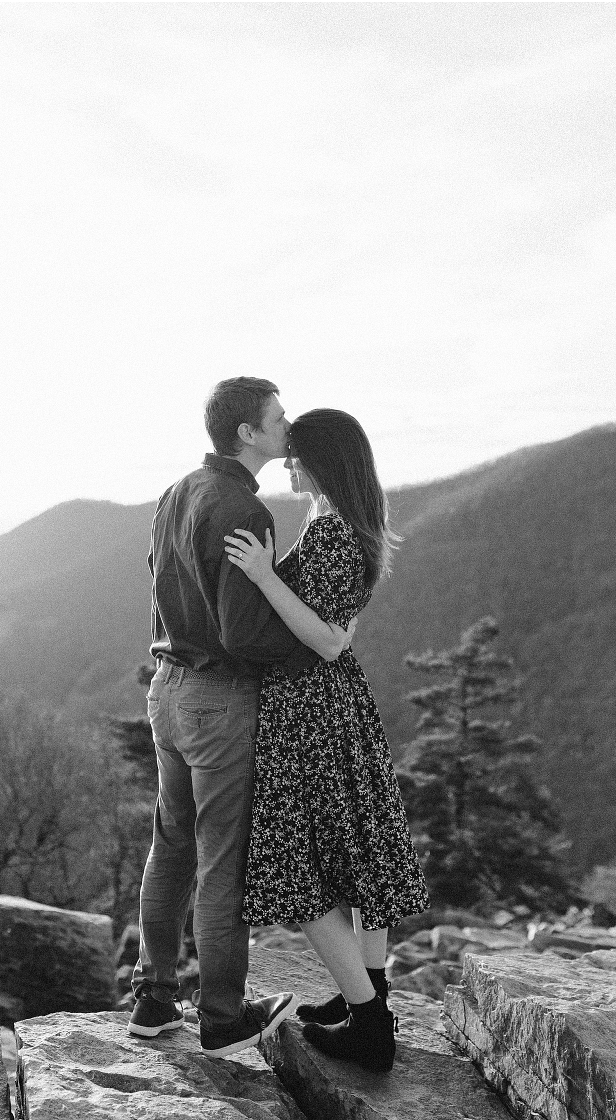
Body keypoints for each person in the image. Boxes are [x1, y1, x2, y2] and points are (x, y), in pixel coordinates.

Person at [129, 378, 355, 1059]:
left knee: (169, 847)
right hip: (219, 698)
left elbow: (158, 576)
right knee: (221, 859)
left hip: (165, 689)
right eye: (278, 417)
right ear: (249, 433)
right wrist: (314, 639)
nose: (288, 425)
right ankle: (224, 1016)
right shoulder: (245, 510)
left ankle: (153, 999)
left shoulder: (177, 492)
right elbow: (244, 633)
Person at [223, 408, 430, 1073]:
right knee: (359, 855)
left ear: (322, 460)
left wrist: (262, 574)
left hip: (312, 708)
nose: (288, 462)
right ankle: (366, 1000)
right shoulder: (348, 523)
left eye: (297, 453)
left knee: (301, 866)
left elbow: (329, 635)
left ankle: (370, 1024)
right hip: (334, 704)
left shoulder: (334, 528)